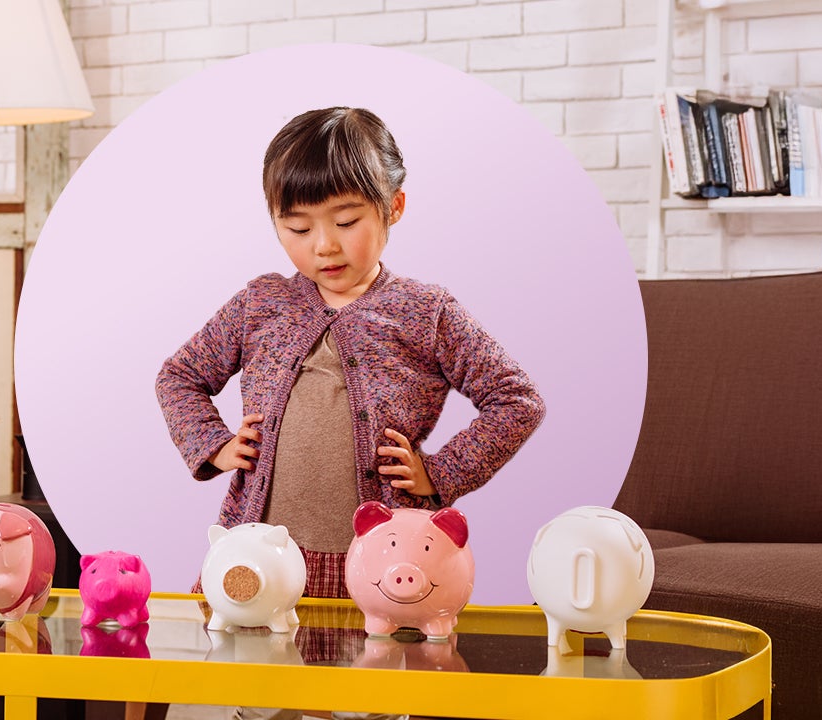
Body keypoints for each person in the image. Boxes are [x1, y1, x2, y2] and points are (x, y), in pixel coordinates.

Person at [155, 107, 544, 719]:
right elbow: (179, 376)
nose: (324, 245)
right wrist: (212, 442)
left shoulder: (427, 311)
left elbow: (516, 400)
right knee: (247, 698)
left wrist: (440, 474)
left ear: (393, 207)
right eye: (298, 227)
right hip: (257, 556)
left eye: (346, 220)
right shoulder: (262, 301)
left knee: (372, 701)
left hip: (385, 573)